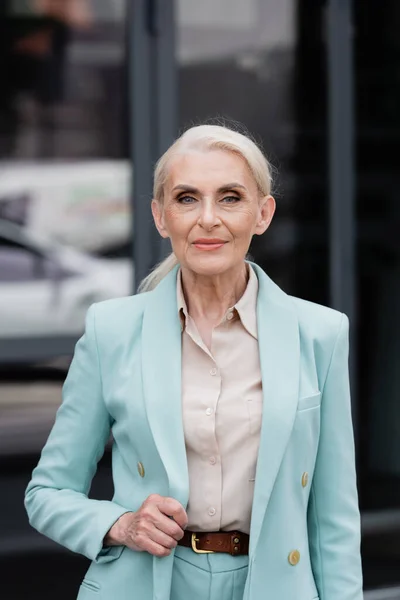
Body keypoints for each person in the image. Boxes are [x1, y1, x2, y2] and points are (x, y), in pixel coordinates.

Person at [25, 124, 363, 600]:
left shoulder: (321, 333)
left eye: (230, 198)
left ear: (262, 213)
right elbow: (46, 494)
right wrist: (121, 524)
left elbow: (334, 519)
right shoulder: (112, 331)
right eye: (187, 199)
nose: (208, 219)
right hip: (147, 583)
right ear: (160, 217)